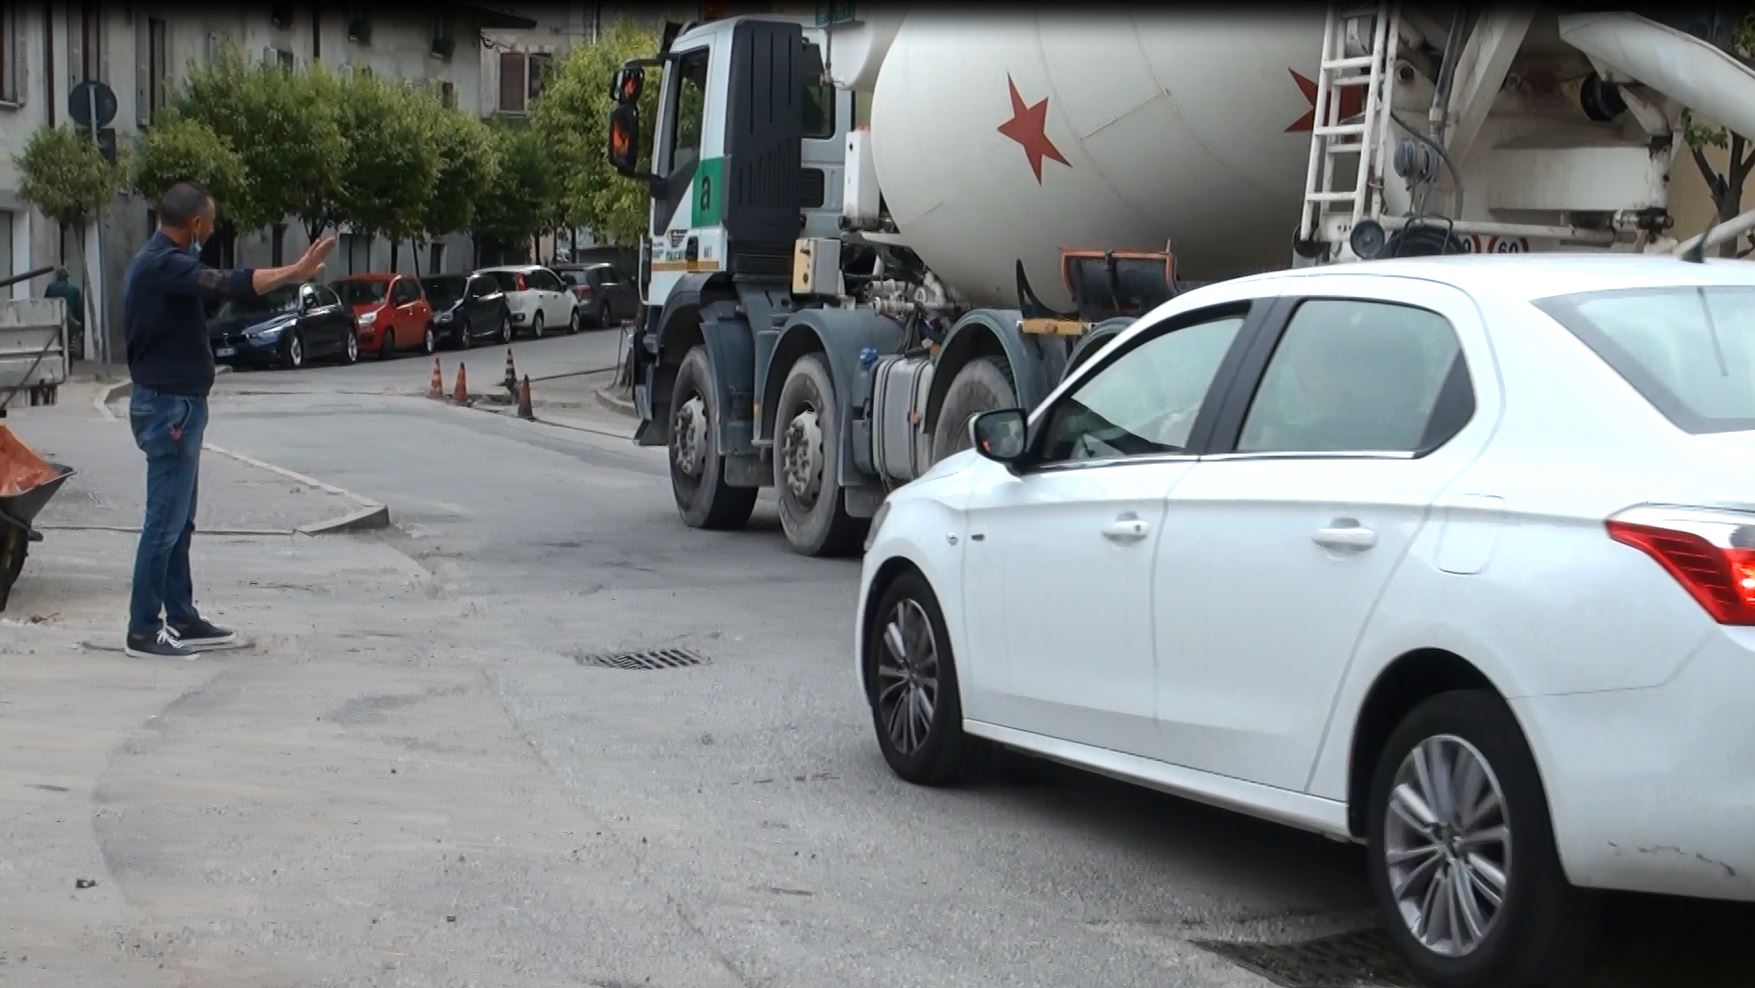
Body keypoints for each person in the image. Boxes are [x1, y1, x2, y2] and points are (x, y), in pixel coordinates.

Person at [122, 181, 336, 659]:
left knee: (180, 521)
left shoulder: (164, 266)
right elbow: (226, 283)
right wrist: (295, 272)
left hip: (177, 404)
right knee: (163, 522)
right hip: (169, 407)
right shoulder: (164, 264)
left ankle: (181, 616)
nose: (213, 230)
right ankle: (142, 629)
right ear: (194, 224)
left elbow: (204, 301)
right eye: (211, 222)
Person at [43, 267, 83, 360]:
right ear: (67, 278)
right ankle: (67, 367)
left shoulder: (50, 288)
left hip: (54, 323)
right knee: (69, 349)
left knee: (56, 347)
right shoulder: (74, 290)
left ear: (57, 277)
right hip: (71, 323)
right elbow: (79, 310)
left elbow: (46, 305)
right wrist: (80, 328)